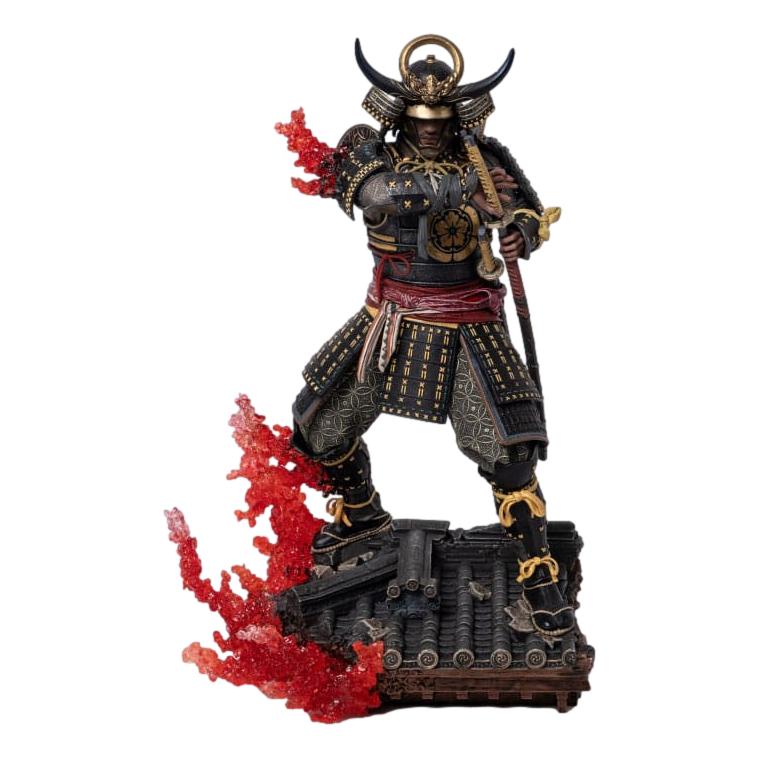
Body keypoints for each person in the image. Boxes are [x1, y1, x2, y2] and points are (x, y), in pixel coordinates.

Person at [289, 35, 574, 638]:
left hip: (468, 319)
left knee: (511, 454)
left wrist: (521, 232)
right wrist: (460, 191)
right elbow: (376, 196)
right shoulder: (367, 149)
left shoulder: (483, 154)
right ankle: (362, 516)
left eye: (440, 119)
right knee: (318, 425)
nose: (429, 130)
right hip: (390, 321)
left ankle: (538, 574)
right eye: (420, 118)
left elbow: (526, 207)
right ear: (400, 112)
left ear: (457, 116)